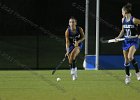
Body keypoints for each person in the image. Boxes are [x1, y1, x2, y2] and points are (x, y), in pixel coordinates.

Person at [115, 3, 140, 84]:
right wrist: (118, 37)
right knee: (126, 60)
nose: (121, 13)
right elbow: (123, 30)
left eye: (122, 11)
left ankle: (137, 72)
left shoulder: (134, 20)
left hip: (134, 41)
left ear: (125, 11)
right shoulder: (123, 20)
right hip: (126, 41)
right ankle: (128, 76)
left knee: (130, 56)